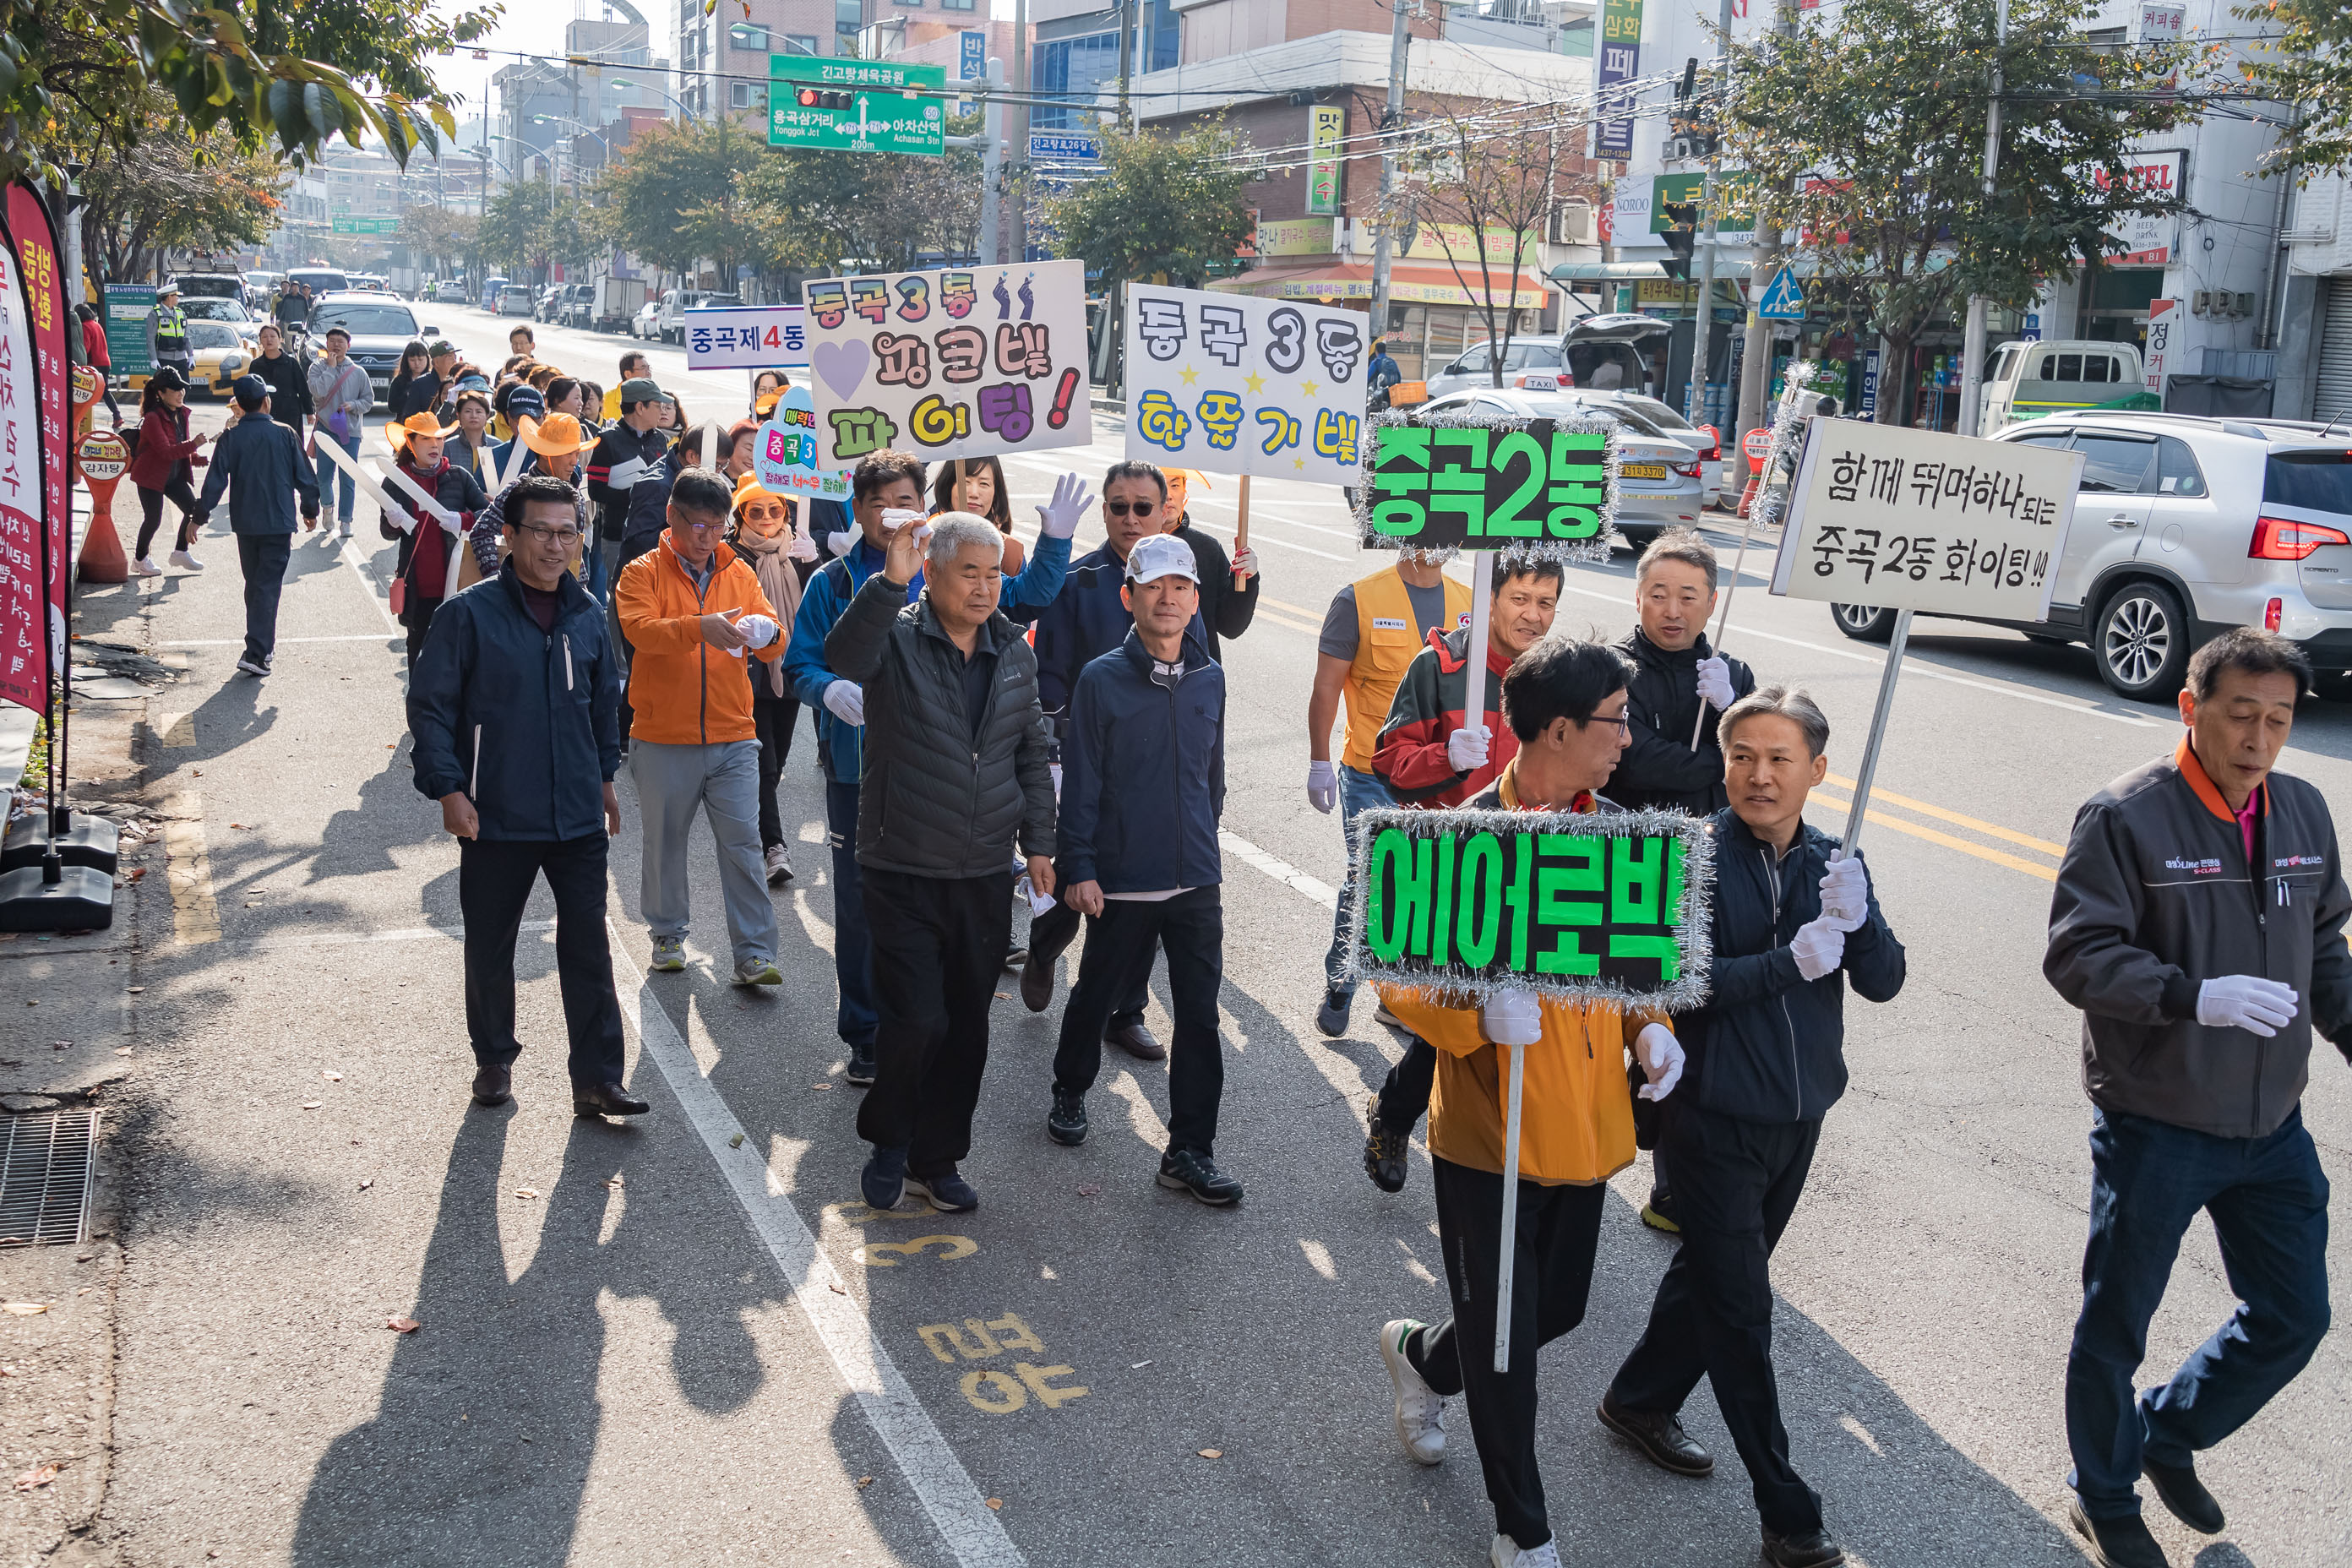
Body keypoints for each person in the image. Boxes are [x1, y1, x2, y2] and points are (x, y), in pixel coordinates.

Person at [1372, 637, 1687, 1568]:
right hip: (1489, 1134)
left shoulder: (1614, 831)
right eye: (1616, 720)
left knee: (1552, 1312)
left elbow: (1636, 965)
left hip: (1584, 1128)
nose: (1627, 737)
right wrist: (1471, 1007)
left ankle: (1421, 1354)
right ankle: (1523, 1524)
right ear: (1558, 728)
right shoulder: (1459, 834)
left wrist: (1649, 1028)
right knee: (1507, 1342)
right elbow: (1396, 977)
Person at [2044, 629, 2350, 1568]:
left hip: (2270, 1123)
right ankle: (2104, 1494)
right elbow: (2077, 954)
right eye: (2240, 714)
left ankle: (2166, 1432)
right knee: (2117, 1322)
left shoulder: (2302, 809)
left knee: (2294, 1316)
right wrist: (2190, 994)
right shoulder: (2126, 815)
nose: (2259, 738)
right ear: (2191, 706)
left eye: (2279, 719)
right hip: (2159, 1118)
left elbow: (2326, 945)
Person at [1603, 685, 1904, 1568]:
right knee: (1742, 1311)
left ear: (1817, 769)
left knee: (1715, 1273)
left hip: (1799, 1113)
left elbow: (1883, 979)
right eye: (1742, 756)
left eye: (1780, 759)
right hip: (1709, 1113)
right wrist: (1790, 960)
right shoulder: (1690, 856)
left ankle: (1638, 1396)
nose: (1758, 775)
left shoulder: (1836, 860)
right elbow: (1680, 980)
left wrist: (1860, 920)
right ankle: (1789, 1512)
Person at [785, 451, 1080, 1086]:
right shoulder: (837, 582)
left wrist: (1054, 543)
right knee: (863, 909)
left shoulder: (947, 567)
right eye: (880, 503)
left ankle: (928, 1039)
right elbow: (810, 661)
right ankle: (866, 1032)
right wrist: (827, 690)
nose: (895, 515)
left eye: (907, 502)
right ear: (858, 509)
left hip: (953, 793)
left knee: (949, 940)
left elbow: (1022, 600)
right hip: (859, 773)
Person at [825, 512, 1058, 1216]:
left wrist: (1040, 844)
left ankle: (938, 1156)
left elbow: (1031, 751)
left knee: (965, 1027)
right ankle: (889, 1141)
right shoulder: (896, 636)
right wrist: (886, 583)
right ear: (932, 573)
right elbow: (842, 658)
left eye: (995, 574)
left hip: (984, 872)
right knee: (916, 1019)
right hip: (902, 864)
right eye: (970, 572)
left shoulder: (1014, 650)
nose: (986, 587)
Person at [406, 472, 645, 1121]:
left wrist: (605, 779)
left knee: (588, 946)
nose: (554, 545)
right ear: (509, 536)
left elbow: (604, 708)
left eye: (567, 532)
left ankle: (598, 1078)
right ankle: (493, 1058)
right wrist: (450, 790)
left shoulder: (588, 614)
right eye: (539, 531)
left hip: (575, 815)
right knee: (491, 944)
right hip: (495, 814)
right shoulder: (467, 615)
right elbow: (430, 709)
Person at [1043, 534, 1239, 1204]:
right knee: (1097, 991)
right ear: (1130, 597)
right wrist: (1081, 867)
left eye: (1180, 587)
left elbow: (1213, 780)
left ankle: (1190, 1150)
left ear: (1194, 601)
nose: (1168, 598)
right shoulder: (1101, 679)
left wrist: (1200, 845)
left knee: (1200, 1018)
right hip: (1122, 878)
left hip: (1196, 879)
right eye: (1154, 586)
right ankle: (1070, 1087)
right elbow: (1084, 783)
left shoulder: (1211, 675)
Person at [1360, 555, 1563, 1193]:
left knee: (1507, 1016)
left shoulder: (1556, 679)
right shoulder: (1443, 667)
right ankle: (1396, 1117)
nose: (1532, 614)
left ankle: (1504, 1151)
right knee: (1453, 1019)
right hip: (1451, 872)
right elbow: (1389, 763)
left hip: (1529, 872)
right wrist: (1444, 756)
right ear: (1490, 593)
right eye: (1520, 597)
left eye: (1547, 602)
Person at [1016, 460, 1210, 1051]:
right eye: (1118, 507)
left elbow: (1205, 667)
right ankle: (1046, 946)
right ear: (1104, 512)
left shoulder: (1181, 584)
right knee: (1076, 886)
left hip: (1156, 773)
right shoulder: (1078, 582)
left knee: (1144, 898)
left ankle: (1126, 1011)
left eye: (1143, 507)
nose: (1131, 517)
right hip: (1084, 764)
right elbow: (1048, 680)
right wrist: (1057, 760)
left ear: (1165, 511)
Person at [1609, 528, 1759, 1233]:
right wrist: (1719, 758)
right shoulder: (1613, 670)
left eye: (1689, 596)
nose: (1673, 610)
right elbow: (1640, 766)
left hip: (1710, 869)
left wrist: (1731, 711)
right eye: (1659, 594)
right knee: (1627, 1015)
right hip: (1631, 865)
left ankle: (1672, 1185)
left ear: (1711, 602)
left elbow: (1759, 772)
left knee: (1693, 1024)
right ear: (1637, 595)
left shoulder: (1734, 675)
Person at [613, 466, 787, 988]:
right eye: (698, 526)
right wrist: (699, 629)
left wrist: (766, 631)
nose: (707, 537)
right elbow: (641, 632)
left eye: (717, 526)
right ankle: (668, 934)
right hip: (663, 734)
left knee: (743, 844)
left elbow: (776, 641)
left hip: (735, 733)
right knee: (664, 843)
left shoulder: (739, 571)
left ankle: (754, 953)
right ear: (672, 516)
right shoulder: (640, 572)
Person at [1308, 552, 1472, 1037]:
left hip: (1443, 774)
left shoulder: (1472, 601)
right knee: (1374, 878)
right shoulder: (1356, 599)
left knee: (1430, 887)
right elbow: (1325, 689)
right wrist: (1320, 761)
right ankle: (1342, 982)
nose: (1435, 540)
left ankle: (1401, 996)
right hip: (1370, 772)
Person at [193, 375, 319, 677]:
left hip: (246, 523)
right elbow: (306, 477)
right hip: (278, 523)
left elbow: (215, 482)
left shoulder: (230, 438)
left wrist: (199, 516)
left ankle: (263, 645)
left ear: (239, 406)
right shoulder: (285, 434)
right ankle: (257, 652)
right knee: (266, 587)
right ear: (266, 401)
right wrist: (309, 509)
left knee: (256, 585)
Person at [727, 472, 816, 886]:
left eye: (774, 509)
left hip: (788, 670)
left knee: (776, 762)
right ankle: (773, 847)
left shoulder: (797, 551)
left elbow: (819, 607)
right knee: (762, 763)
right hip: (746, 672)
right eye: (755, 510)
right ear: (741, 514)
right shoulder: (729, 556)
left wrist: (814, 561)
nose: (766, 518)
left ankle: (754, 825)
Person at [588, 377, 682, 739]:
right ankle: (620, 667)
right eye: (657, 405)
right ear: (639, 407)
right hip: (617, 536)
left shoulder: (661, 441)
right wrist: (634, 487)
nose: (663, 410)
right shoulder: (608, 442)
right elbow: (594, 487)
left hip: (657, 535)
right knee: (621, 602)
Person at [380, 412, 491, 672]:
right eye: (426, 439)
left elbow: (489, 515)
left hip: (456, 585)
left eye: (439, 439)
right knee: (418, 657)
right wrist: (392, 522)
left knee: (457, 656)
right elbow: (387, 534)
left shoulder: (458, 476)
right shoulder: (396, 481)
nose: (435, 445)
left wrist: (462, 520)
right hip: (417, 590)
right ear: (410, 443)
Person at [466, 411, 596, 582]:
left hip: (561, 599)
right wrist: (499, 581)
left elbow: (574, 552)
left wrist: (581, 588)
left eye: (577, 454)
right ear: (546, 453)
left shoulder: (575, 497)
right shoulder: (517, 491)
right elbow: (481, 533)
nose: (574, 461)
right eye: (568, 453)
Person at [1160, 468, 1261, 667]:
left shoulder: (1206, 548)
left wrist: (1246, 579)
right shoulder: (1130, 547)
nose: (1169, 495)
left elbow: (1231, 627)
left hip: (1199, 676)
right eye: (1161, 486)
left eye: (1175, 485)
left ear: (1185, 495)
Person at [126, 366, 210, 577]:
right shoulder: (153, 418)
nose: (180, 393)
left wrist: (197, 459)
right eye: (174, 389)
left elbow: (178, 444)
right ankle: (139, 560)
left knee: (194, 510)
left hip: (173, 476)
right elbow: (165, 451)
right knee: (153, 519)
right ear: (161, 393)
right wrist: (193, 445)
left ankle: (181, 552)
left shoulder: (181, 413)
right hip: (150, 475)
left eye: (181, 388)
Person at [306, 325, 372, 541]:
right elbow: (318, 391)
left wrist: (353, 405)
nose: (336, 344)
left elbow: (369, 401)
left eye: (340, 341)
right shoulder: (317, 368)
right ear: (326, 344)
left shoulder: (358, 372)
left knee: (348, 477)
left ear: (348, 346)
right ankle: (327, 508)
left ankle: (346, 520)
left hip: (349, 432)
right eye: (332, 341)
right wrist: (331, 368)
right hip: (325, 427)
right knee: (324, 476)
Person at [932, 455, 1025, 575]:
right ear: (948, 487)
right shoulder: (926, 542)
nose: (974, 493)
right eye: (965, 482)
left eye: (984, 484)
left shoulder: (1012, 553)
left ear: (996, 492)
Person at [248, 323, 313, 449]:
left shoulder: (291, 363)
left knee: (290, 445)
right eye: (265, 337)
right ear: (260, 340)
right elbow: (250, 390)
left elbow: (303, 388)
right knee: (266, 446)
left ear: (280, 339)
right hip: (264, 411)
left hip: (289, 410)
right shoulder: (256, 365)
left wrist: (310, 412)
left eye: (273, 336)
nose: (269, 340)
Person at [74, 302, 120, 423]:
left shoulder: (85, 327)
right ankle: (117, 415)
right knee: (105, 390)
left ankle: (84, 418)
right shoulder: (96, 325)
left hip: (95, 363)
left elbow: (86, 347)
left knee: (87, 391)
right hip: (105, 361)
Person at [447, 390, 499, 490]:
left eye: (479, 411)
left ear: (487, 415)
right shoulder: (448, 447)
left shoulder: (497, 446)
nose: (474, 416)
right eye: (468, 411)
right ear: (458, 415)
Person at [144, 284, 191, 381]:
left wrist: (191, 355)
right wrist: (153, 359)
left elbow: (186, 337)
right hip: (165, 358)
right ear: (169, 297)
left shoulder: (181, 313)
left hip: (181, 358)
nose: (178, 298)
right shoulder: (155, 314)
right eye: (176, 296)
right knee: (167, 389)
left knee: (185, 387)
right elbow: (150, 338)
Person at [387, 340, 433, 421]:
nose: (417, 364)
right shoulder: (399, 381)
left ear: (427, 358)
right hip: (405, 424)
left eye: (420, 359)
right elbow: (392, 407)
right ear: (406, 361)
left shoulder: (432, 379)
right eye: (412, 360)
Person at [603, 351, 650, 422]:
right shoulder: (606, 400)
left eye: (649, 368)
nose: (648, 373)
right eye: (643, 368)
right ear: (628, 374)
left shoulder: (654, 400)